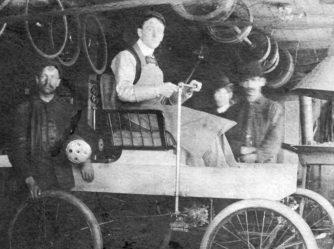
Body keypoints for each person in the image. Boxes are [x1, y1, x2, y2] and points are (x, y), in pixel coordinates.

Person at [111, 10, 236, 167]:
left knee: (212, 127)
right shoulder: (126, 56)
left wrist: (184, 93)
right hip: (138, 117)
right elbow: (122, 92)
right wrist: (159, 89)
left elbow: (164, 101)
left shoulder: (153, 61)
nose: (156, 34)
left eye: (160, 31)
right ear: (139, 32)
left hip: (156, 115)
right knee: (204, 126)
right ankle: (221, 178)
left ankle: (229, 172)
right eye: (150, 29)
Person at [9, 60, 95, 200]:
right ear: (37, 80)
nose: (48, 81)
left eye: (53, 77)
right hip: (36, 180)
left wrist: (86, 160)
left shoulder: (68, 109)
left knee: (64, 218)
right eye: (44, 76)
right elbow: (17, 149)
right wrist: (29, 180)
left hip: (63, 180)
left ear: (58, 82)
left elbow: (81, 134)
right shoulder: (24, 110)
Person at [224, 61, 284, 163]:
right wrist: (240, 149)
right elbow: (226, 140)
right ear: (241, 83)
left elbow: (274, 142)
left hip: (265, 166)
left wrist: (257, 156)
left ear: (262, 82)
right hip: (237, 163)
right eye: (246, 80)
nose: (250, 85)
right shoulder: (233, 110)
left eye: (254, 80)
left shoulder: (273, 108)